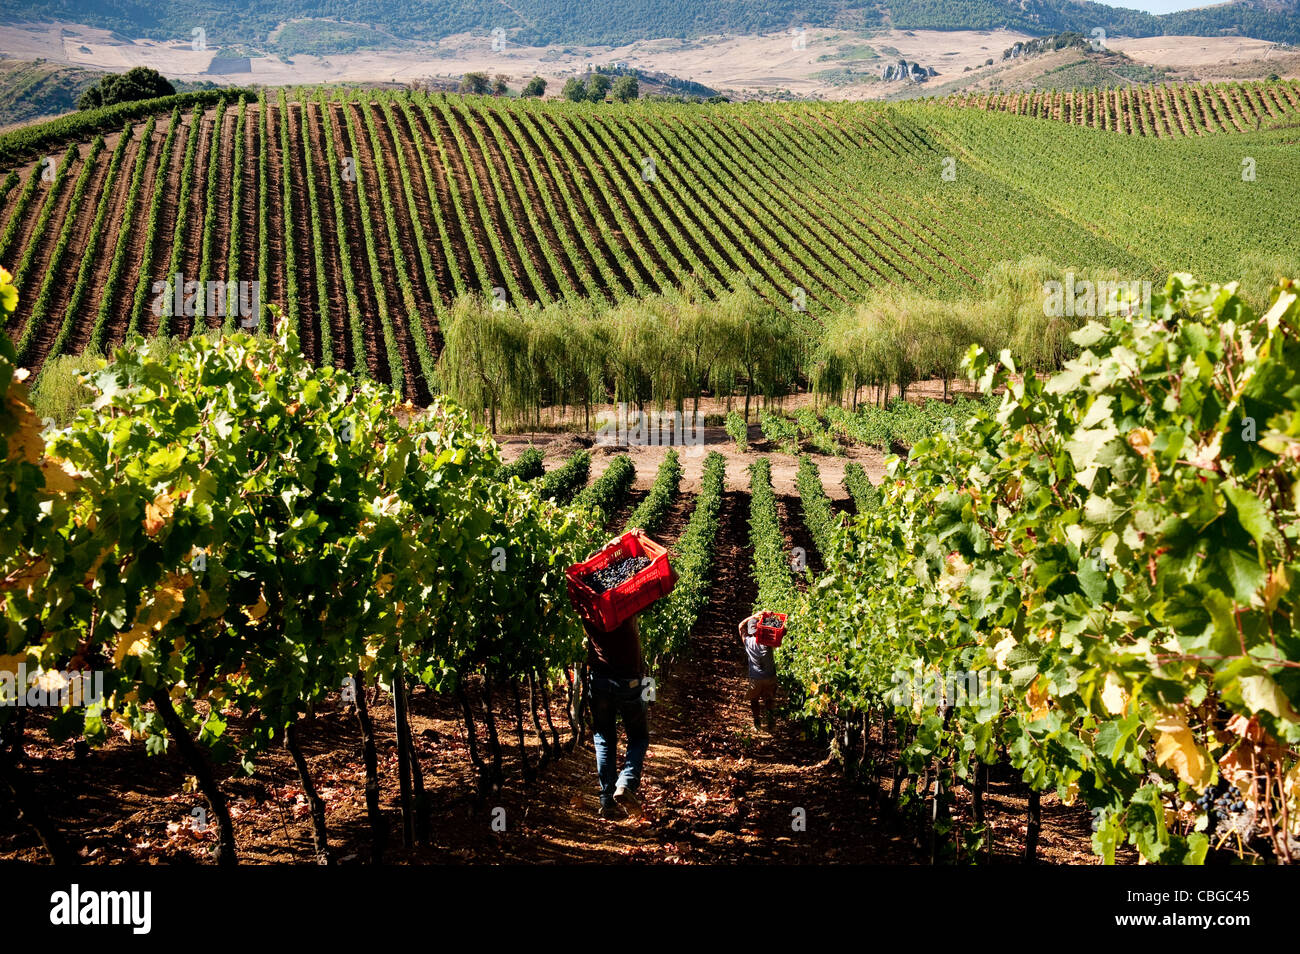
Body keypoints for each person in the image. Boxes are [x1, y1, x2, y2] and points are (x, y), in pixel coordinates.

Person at [583, 613, 650, 819]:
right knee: (639, 736)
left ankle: (607, 801)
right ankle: (626, 783)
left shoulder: (587, 606)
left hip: (600, 680)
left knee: (603, 736)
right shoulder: (625, 604)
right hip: (629, 679)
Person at [738, 612, 777, 731]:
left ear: (750, 631)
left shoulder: (748, 642)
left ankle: (757, 722)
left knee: (754, 699)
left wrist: (755, 616)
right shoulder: (768, 641)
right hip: (770, 676)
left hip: (755, 678)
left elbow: (740, 626)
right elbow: (781, 629)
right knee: (769, 698)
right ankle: (771, 721)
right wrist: (767, 617)